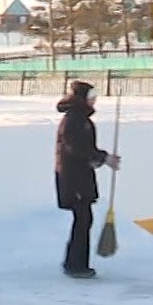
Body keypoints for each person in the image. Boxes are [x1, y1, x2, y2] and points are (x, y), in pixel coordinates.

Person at [55, 81, 119, 279]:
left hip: (80, 177)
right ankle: (75, 265)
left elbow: (83, 150)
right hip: (74, 179)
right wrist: (104, 158)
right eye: (92, 96)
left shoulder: (81, 119)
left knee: (84, 219)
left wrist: (98, 159)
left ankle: (75, 262)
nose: (95, 100)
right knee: (83, 219)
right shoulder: (74, 120)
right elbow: (77, 149)